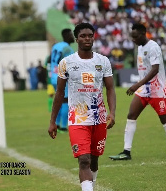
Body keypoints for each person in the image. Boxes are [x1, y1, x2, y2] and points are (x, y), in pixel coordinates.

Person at [48, 23, 116, 191]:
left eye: (90, 36)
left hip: (99, 118)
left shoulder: (103, 61)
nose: (87, 38)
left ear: (94, 38)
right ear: (76, 38)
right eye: (83, 36)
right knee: (83, 160)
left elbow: (110, 88)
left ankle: (90, 186)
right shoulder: (66, 63)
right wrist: (52, 121)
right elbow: (59, 93)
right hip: (77, 119)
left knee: (94, 160)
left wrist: (112, 112)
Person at [109, 23, 166, 160]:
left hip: (157, 90)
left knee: (164, 119)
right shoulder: (140, 47)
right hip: (143, 90)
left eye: (135, 37)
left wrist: (137, 84)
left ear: (143, 34)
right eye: (132, 37)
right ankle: (126, 151)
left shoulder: (153, 47)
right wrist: (140, 86)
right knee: (131, 115)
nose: (133, 40)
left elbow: (155, 70)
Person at [50, 28, 75, 132]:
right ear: (67, 36)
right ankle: (64, 126)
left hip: (53, 75)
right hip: (62, 77)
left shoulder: (56, 46)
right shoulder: (68, 49)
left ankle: (57, 124)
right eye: (71, 35)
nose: (73, 37)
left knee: (58, 100)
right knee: (66, 100)